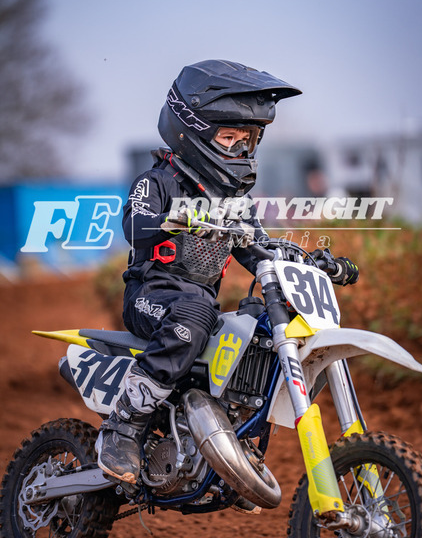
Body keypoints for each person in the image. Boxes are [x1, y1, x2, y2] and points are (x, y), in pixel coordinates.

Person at [96, 59, 359, 487]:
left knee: (256, 328)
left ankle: (231, 442)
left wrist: (308, 263)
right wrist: (179, 219)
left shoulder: (235, 202)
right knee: (196, 312)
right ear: (193, 132)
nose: (240, 150)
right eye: (228, 138)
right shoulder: (156, 181)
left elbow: (259, 251)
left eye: (247, 140)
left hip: (197, 306)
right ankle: (123, 425)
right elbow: (134, 226)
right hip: (151, 297)